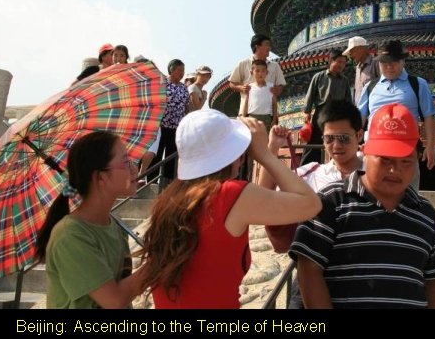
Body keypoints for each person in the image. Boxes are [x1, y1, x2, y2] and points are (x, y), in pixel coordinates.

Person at [138, 111, 321, 309]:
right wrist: (264, 154)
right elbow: (311, 204)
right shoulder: (230, 194)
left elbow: (258, 197)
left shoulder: (170, 199)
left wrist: (272, 147)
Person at [290, 103, 435, 309]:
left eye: (406, 162)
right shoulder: (330, 202)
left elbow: (434, 282)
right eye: (385, 160)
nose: (394, 170)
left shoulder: (424, 212)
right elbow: (309, 269)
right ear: (365, 152)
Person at [260, 99, 365, 308]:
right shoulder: (313, 173)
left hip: (361, 278)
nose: (336, 146)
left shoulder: (374, 174)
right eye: (329, 139)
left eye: (344, 138)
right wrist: (272, 148)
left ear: (359, 135)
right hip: (310, 276)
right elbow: (264, 197)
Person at [35, 131, 145, 308]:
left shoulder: (114, 227)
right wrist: (159, 263)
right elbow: (113, 300)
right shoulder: (70, 235)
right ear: (101, 177)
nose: (134, 168)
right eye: (125, 162)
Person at [357, 40, 435, 189]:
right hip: (375, 150)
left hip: (406, 150)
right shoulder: (370, 87)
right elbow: (360, 118)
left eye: (393, 62)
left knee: (408, 197)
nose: (388, 67)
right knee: (374, 194)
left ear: (403, 61)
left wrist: (431, 147)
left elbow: (429, 116)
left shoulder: (418, 84)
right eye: (384, 63)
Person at [300, 49, 352, 165]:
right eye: (339, 61)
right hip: (320, 113)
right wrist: (307, 112)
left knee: (335, 142)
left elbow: (348, 100)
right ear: (331, 61)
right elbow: (310, 94)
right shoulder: (319, 77)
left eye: (344, 63)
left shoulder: (344, 81)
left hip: (337, 114)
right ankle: (305, 168)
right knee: (314, 143)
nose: (341, 65)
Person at [153, 59, 189, 188]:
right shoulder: (162, 84)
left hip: (175, 127)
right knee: (156, 153)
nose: (182, 73)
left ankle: (167, 182)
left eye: (183, 71)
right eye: (179, 70)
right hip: (160, 126)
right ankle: (151, 180)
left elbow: (186, 107)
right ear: (171, 70)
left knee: (171, 155)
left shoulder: (184, 88)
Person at [229, 34, 286, 114]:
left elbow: (281, 85)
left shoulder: (275, 66)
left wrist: (278, 90)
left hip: (269, 113)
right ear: (257, 46)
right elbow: (232, 83)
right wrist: (241, 88)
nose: (270, 48)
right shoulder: (243, 64)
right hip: (246, 113)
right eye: (267, 44)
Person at [240, 59, 278, 131]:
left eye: (263, 71)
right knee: (254, 140)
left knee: (266, 140)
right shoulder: (249, 87)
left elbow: (274, 104)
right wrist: (243, 117)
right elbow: (246, 103)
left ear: (267, 72)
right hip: (252, 118)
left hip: (267, 119)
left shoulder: (271, 87)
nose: (260, 73)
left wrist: (274, 120)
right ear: (251, 72)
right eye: (257, 71)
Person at [342, 36, 379, 104]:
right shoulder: (358, 68)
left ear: (361, 49)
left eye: (352, 51)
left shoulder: (376, 63)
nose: (350, 55)